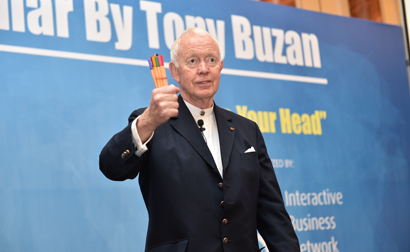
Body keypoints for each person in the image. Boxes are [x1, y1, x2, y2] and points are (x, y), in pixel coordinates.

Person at [99, 27, 299, 252]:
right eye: (192, 61)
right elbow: (110, 167)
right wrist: (147, 122)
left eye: (211, 60)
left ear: (220, 67)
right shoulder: (152, 123)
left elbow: (272, 212)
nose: (203, 69)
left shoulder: (247, 130)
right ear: (175, 72)